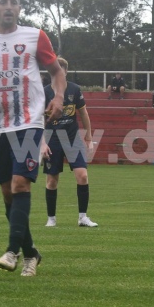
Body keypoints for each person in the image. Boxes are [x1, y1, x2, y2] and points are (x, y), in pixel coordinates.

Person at [0, 0, 66, 277]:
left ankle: (12, 252)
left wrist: (58, 97)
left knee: (21, 184)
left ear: (20, 8)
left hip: (29, 121)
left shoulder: (35, 36)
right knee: (8, 194)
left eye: (14, 2)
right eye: (2, 2)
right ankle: (32, 253)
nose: (9, 7)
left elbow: (57, 72)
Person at [41, 57, 99, 228]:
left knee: (82, 176)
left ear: (65, 72)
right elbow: (39, 120)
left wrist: (88, 137)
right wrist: (42, 143)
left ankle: (83, 217)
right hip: (53, 139)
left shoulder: (74, 89)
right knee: (52, 180)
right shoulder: (44, 92)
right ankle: (51, 219)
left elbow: (83, 114)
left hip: (72, 138)